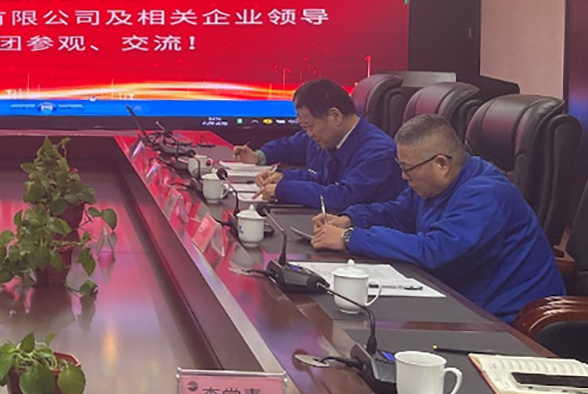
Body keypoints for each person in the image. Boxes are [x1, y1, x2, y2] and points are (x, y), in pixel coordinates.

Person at [311, 114, 564, 322]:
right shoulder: (434, 186)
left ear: (442, 164)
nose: (403, 177)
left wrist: (350, 238)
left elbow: (436, 250)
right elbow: (397, 213)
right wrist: (350, 219)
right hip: (458, 303)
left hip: (508, 322)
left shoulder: (486, 194)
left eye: (407, 169)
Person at [231, 78, 401, 210]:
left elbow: (343, 197)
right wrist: (285, 177)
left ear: (335, 116)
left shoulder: (378, 153)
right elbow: (324, 180)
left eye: (310, 126)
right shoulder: (335, 137)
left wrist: (283, 190)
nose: (309, 134)